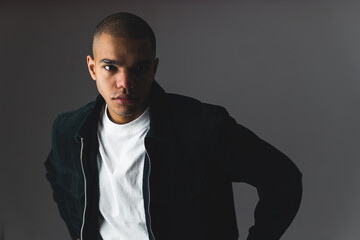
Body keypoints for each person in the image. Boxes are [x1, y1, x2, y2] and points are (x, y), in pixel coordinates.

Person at [44, 12, 302, 240]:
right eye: (110, 67)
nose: (125, 82)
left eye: (139, 68)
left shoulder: (201, 127)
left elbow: (283, 179)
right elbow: (56, 175)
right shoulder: (70, 130)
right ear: (92, 68)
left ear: (154, 68)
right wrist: (79, 232)